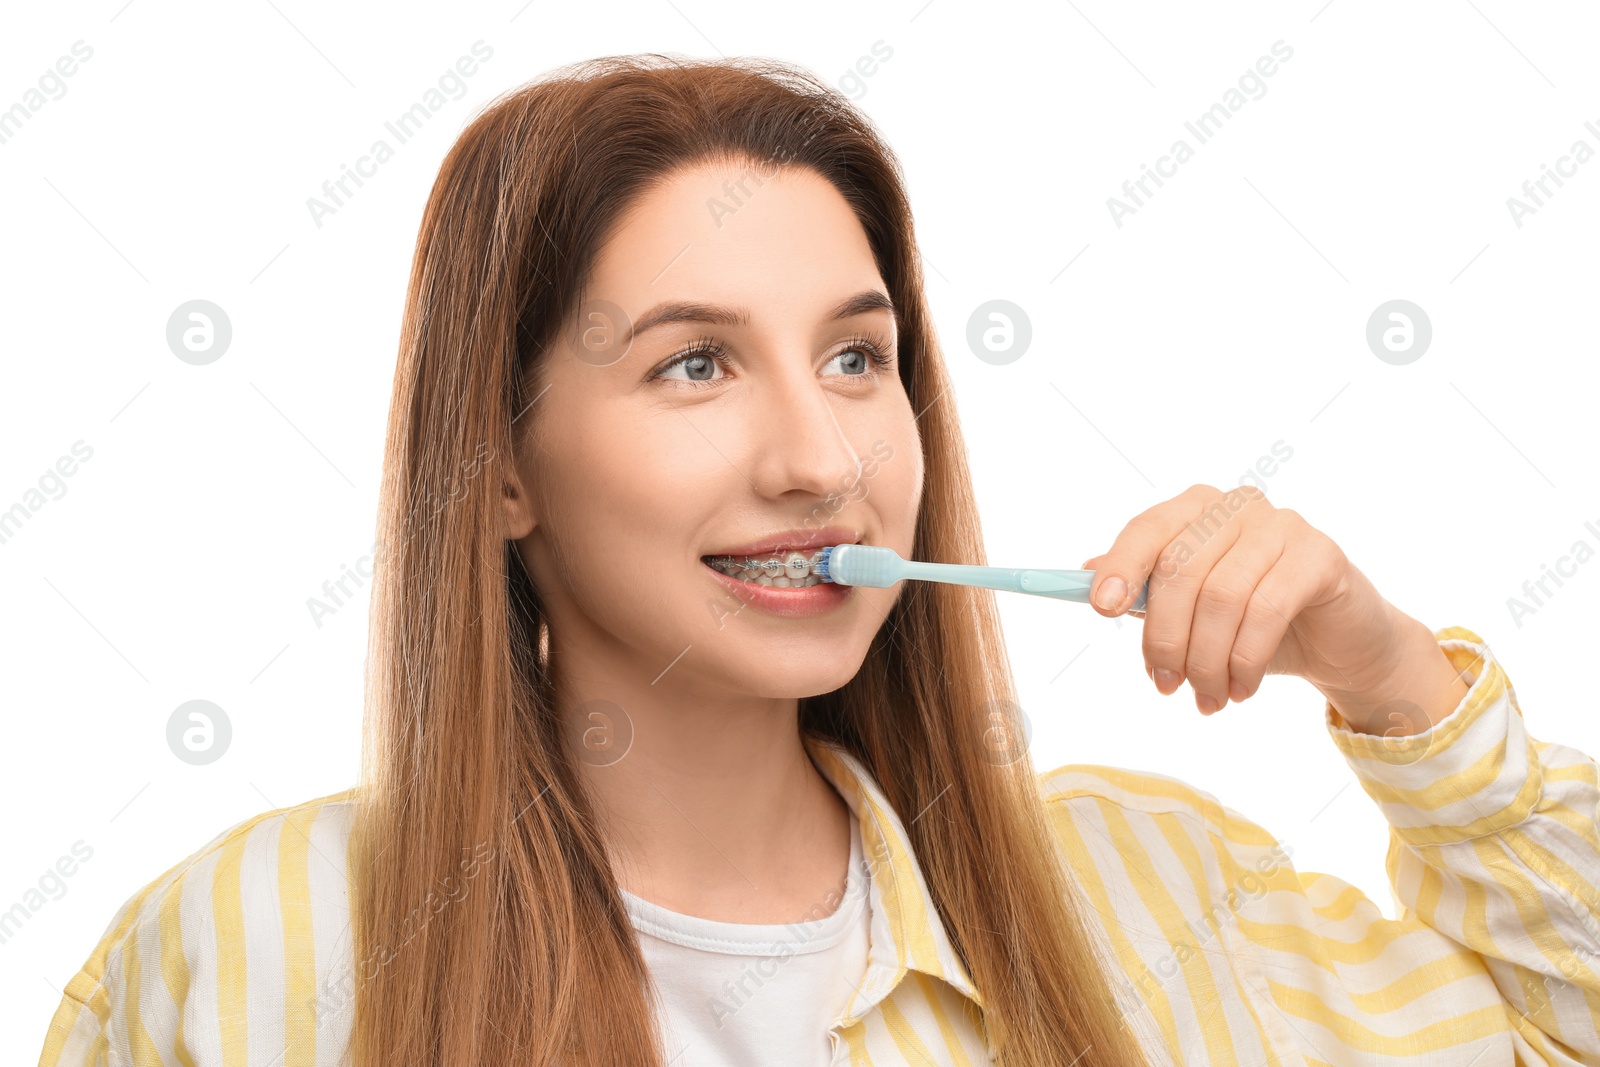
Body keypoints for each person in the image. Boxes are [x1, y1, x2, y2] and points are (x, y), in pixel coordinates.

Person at [38, 54, 1600, 1067]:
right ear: (502, 466)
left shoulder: (1157, 901)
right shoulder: (246, 956)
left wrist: (1393, 680)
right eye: (695, 366)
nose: (821, 460)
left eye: (858, 361)